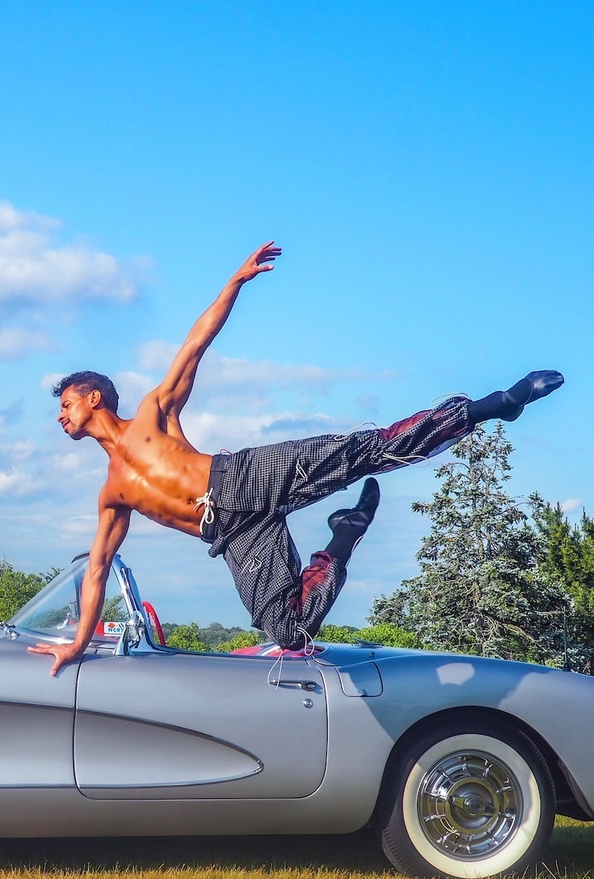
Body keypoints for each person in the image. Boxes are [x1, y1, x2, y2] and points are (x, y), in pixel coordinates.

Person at [29, 241, 564, 675]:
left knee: (364, 451)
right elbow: (98, 569)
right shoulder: (112, 493)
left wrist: (234, 282)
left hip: (243, 479)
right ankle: (344, 535)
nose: (62, 416)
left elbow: (195, 345)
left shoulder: (152, 414)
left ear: (93, 398)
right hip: (233, 534)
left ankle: (494, 406)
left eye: (67, 404)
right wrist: (76, 645)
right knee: (289, 632)